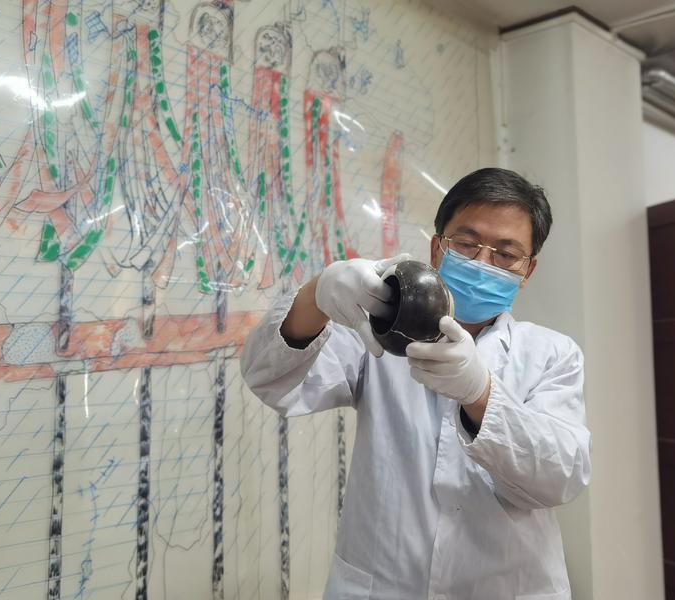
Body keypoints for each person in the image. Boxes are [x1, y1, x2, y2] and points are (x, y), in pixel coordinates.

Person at [241, 168, 591, 599]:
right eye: (466, 243)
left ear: (528, 268)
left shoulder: (552, 354)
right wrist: (317, 295)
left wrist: (480, 394)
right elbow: (268, 376)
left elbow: (559, 478)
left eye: (506, 253)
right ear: (437, 248)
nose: (483, 263)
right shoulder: (380, 330)